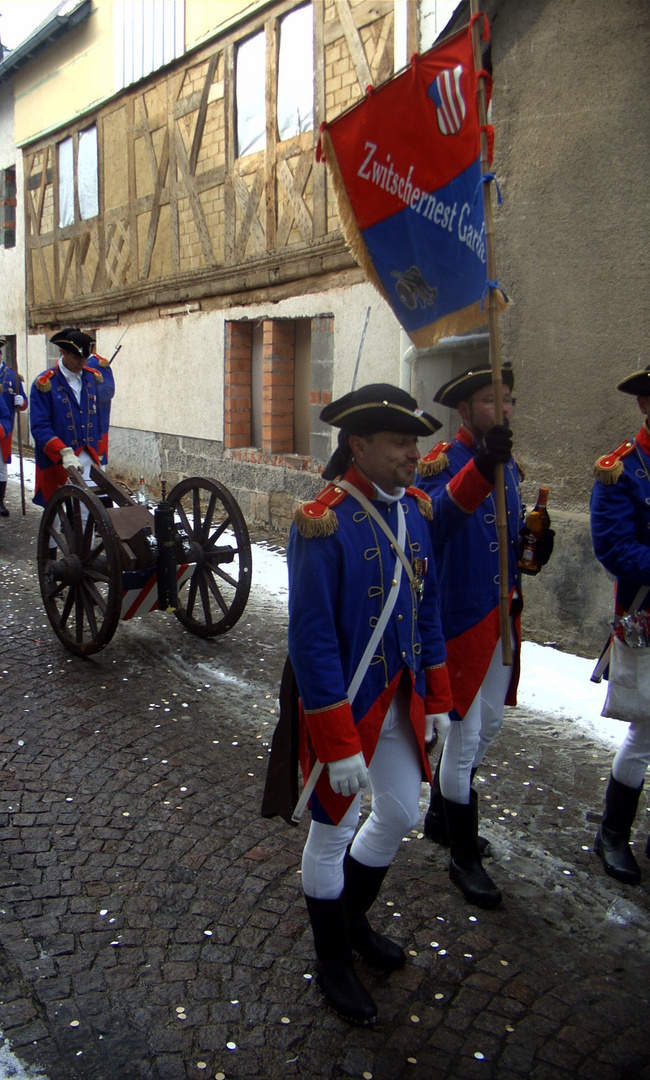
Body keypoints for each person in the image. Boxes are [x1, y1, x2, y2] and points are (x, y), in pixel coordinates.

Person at [287, 384, 453, 1025]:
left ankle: (352, 922)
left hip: (402, 699)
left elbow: (427, 610)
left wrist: (437, 697)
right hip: (349, 707)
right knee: (331, 834)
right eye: (402, 442)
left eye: (416, 441)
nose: (416, 453)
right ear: (360, 445)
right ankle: (332, 960)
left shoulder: (416, 509)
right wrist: (334, 739)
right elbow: (312, 637)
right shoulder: (322, 520)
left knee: (400, 815)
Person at [416, 364, 553, 909]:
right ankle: (462, 856)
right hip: (458, 621)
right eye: (491, 400)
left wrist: (533, 549)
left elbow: (512, 539)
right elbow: (434, 525)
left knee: (490, 724)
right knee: (464, 736)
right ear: (465, 410)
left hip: (502, 619)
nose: (504, 409)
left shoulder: (512, 467)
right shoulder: (441, 463)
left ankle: (441, 815)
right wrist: (482, 468)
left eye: (509, 400)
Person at [590, 363, 650, 885]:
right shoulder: (621, 469)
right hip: (648, 618)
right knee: (645, 730)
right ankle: (612, 833)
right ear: (645, 405)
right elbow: (614, 549)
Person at [29, 329, 105, 506]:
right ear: (63, 352)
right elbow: (40, 427)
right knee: (55, 515)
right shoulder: (45, 383)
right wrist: (63, 452)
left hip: (88, 455)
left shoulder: (91, 378)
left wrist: (99, 448)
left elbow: (97, 417)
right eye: (77, 358)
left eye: (85, 358)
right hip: (57, 459)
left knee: (89, 512)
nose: (82, 362)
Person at [0, 336, 28, 516]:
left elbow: (24, 402)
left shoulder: (11, 376)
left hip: (4, 428)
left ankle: (0, 502)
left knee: (1, 466)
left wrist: (20, 401)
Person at [86, 335, 115, 465]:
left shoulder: (99, 364)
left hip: (97, 421)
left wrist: (91, 393)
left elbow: (108, 390)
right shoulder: (71, 366)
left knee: (97, 461)